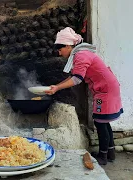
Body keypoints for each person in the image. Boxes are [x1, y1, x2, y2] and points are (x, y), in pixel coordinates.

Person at [45, 27, 123, 165]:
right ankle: (110, 154)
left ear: (68, 46)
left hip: (105, 91)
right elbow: (73, 76)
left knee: (100, 123)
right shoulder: (80, 53)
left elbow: (77, 79)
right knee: (104, 123)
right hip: (108, 88)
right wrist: (56, 87)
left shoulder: (81, 55)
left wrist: (57, 87)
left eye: (60, 49)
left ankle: (103, 157)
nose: (59, 52)